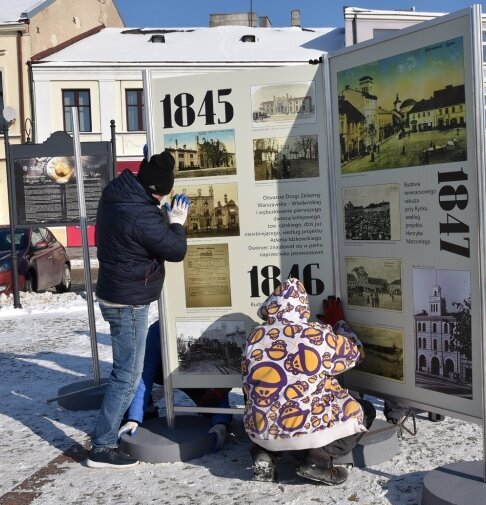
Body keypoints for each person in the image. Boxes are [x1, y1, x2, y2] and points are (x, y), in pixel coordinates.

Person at [87, 151, 191, 469]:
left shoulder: (117, 192)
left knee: (128, 370)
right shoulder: (141, 213)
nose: (162, 199)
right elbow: (174, 250)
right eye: (161, 193)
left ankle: (132, 415)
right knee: (127, 375)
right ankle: (102, 446)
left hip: (115, 292)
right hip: (128, 301)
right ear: (153, 189)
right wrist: (176, 224)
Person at [242, 279, 374, 486]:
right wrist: (338, 323)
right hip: (303, 427)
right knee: (364, 410)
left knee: (272, 402)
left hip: (260, 431)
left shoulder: (254, 336)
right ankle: (318, 460)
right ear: (303, 306)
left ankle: (265, 456)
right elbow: (357, 353)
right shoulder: (314, 335)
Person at [118, 320, 232, 451]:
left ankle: (214, 413)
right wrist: (134, 417)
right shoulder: (157, 330)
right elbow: (145, 375)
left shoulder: (213, 329)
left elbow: (220, 384)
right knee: (135, 370)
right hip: (165, 372)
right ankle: (147, 407)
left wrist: (221, 421)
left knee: (211, 407)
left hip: (199, 380)